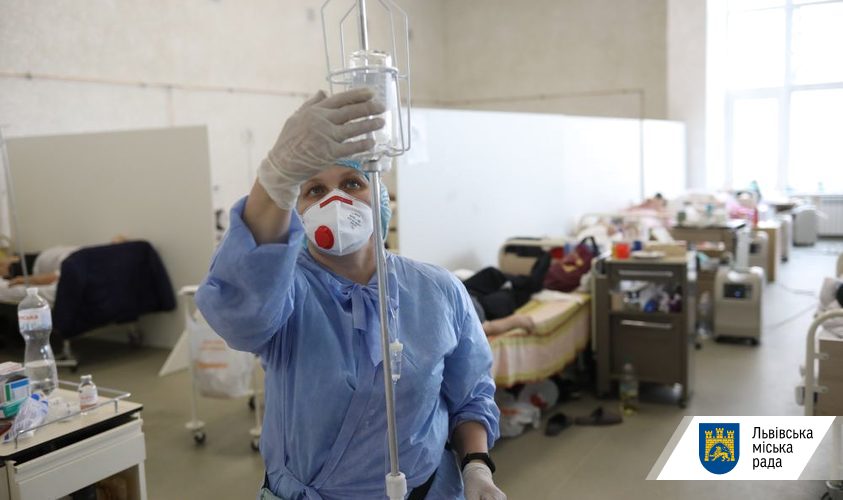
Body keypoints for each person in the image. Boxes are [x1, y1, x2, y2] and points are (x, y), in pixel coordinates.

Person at [196, 88, 505, 500]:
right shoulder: (286, 291)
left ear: (379, 197)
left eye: (352, 183)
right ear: (297, 209)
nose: (336, 201)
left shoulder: (438, 290)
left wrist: (477, 467)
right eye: (314, 190)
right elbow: (239, 313)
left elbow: (470, 393)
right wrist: (276, 176)